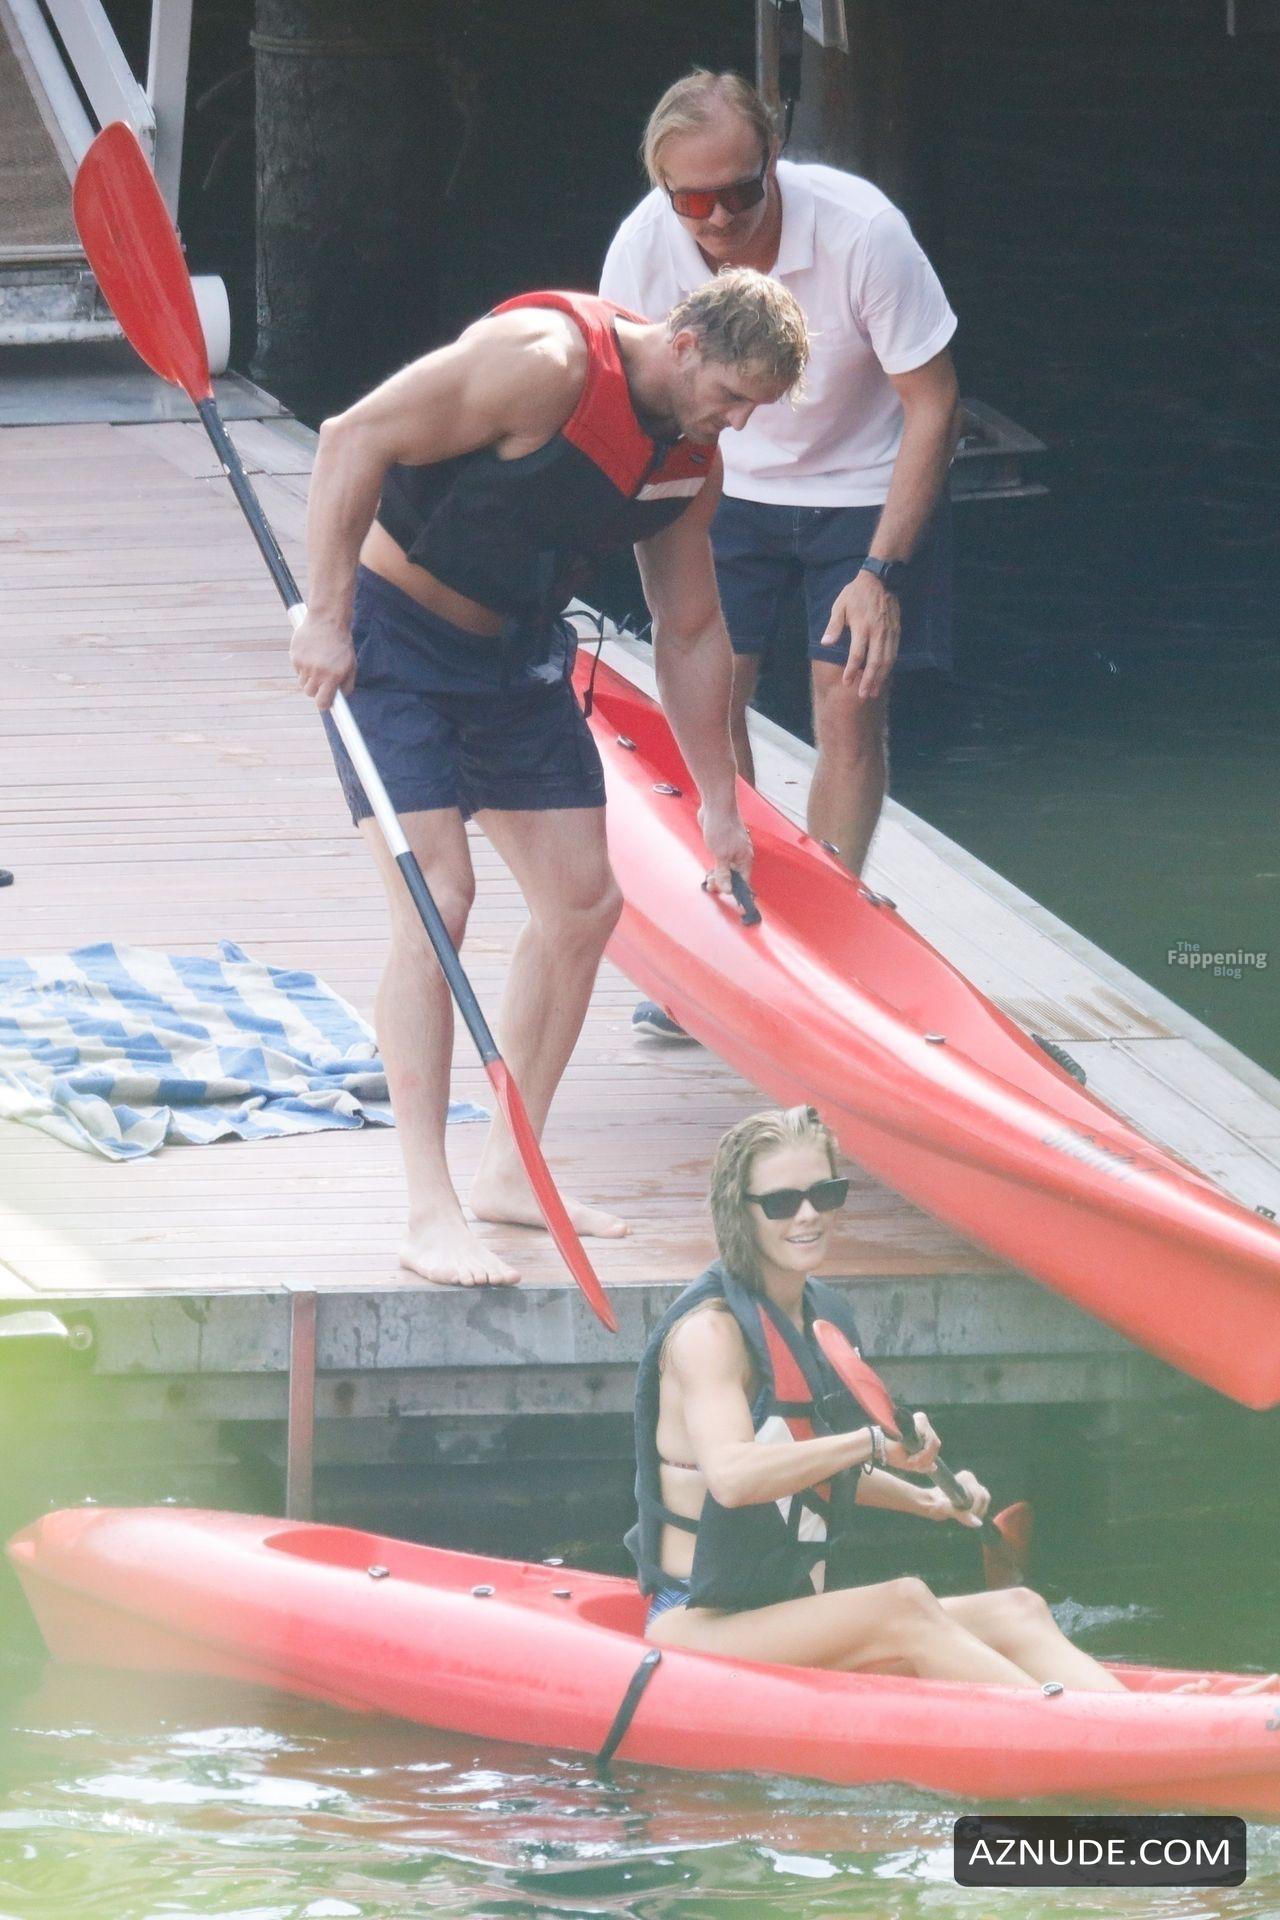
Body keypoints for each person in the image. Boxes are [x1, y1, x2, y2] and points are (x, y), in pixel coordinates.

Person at [289, 272, 809, 1289]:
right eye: (732, 395)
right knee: (438, 901)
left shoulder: (688, 460)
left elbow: (690, 629)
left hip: (516, 659)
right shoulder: (542, 362)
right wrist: (325, 615)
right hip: (394, 642)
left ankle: (507, 1170)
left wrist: (719, 800)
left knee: (582, 903)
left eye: (756, 408)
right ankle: (429, 1208)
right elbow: (351, 437)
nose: (737, 423)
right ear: (686, 342)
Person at [602, 70, 961, 903]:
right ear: (663, 188)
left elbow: (935, 402)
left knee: (847, 699)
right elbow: (625, 395)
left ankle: (831, 899)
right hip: (722, 477)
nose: (719, 218)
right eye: (693, 201)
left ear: (773, 158)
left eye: (739, 191)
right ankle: (740, 878)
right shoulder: (642, 246)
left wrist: (881, 573)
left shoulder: (863, 230)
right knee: (716, 692)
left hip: (863, 480)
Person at [626, 1105, 1127, 1688]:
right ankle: (1082, 1727)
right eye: (782, 1202)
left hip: (784, 1611)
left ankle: (1139, 1719)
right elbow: (735, 1478)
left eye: (825, 1194)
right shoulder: (710, 1335)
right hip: (700, 1624)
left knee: (1019, 1608)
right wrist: (869, 1442)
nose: (809, 1215)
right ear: (739, 1212)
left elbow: (807, 1469)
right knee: (903, 1604)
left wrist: (927, 1500)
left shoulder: (818, 1314)